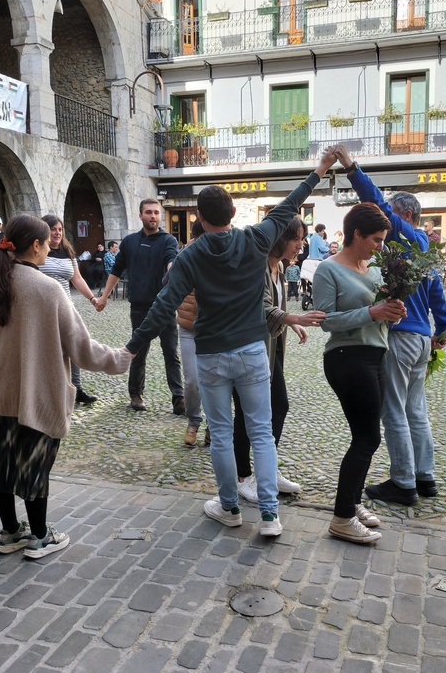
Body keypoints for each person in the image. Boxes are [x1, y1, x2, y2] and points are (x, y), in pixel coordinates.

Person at [125, 149, 339, 538]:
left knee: (222, 434)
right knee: (261, 432)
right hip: (252, 351)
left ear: (199, 217)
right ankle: (270, 515)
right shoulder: (255, 239)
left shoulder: (190, 256)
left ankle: (229, 507)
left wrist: (132, 347)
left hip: (210, 354)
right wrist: (320, 169)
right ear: (234, 212)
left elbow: (163, 306)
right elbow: (290, 204)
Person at [0, 215, 132, 560]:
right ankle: (40, 537)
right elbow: (82, 348)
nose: (50, 248)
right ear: (35, 246)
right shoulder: (49, 289)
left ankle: (10, 533)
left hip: (3, 392)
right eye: (47, 243)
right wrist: (120, 359)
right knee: (35, 466)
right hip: (41, 392)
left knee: (4, 464)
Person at [337, 185, 446, 507]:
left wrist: (351, 168)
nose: (386, 226)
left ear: (405, 215)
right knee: (416, 410)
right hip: (422, 338)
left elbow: (376, 202)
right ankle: (424, 476)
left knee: (394, 411)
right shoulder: (427, 251)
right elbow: (437, 295)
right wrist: (442, 328)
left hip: (401, 337)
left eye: (392, 216)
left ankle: (403, 482)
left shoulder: (408, 238)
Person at [313, 202, 407, 544]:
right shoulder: (328, 269)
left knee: (366, 436)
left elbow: (377, 314)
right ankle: (342, 517)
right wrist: (372, 312)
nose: (380, 246)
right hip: (346, 357)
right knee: (367, 437)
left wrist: (392, 312)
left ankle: (351, 504)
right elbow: (326, 321)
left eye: (382, 240)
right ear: (356, 234)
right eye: (376, 239)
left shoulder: (375, 270)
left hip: (376, 354)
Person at [234, 217, 324, 504]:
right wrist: (295, 317)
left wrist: (291, 323)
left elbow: (276, 305)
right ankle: (242, 476)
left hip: (269, 349)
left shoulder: (280, 267)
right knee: (246, 414)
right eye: (296, 238)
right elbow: (261, 307)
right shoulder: (258, 266)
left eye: (302, 238)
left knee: (279, 405)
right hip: (248, 350)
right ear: (279, 238)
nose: (300, 244)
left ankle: (267, 468)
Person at [97, 200, 184, 414]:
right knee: (137, 352)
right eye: (149, 212)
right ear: (140, 215)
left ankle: (179, 398)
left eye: (156, 212)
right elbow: (117, 270)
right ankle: (135, 394)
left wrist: (172, 269)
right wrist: (105, 296)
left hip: (164, 307)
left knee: (171, 353)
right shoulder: (130, 241)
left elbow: (171, 260)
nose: (153, 216)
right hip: (139, 306)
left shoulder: (168, 240)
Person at [40, 214, 100, 404]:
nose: (57, 233)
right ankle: (51, 391)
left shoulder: (67, 251)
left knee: (73, 346)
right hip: (44, 309)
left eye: (60, 229)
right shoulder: (38, 250)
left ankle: (76, 389)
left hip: (66, 307)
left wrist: (92, 298)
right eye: (53, 229)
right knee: (49, 350)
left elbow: (77, 278)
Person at [176, 220, 207, 447]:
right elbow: (168, 284)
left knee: (216, 382)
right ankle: (194, 421)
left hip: (214, 330)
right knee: (192, 381)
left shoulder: (223, 255)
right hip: (188, 327)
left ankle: (214, 426)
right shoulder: (185, 256)